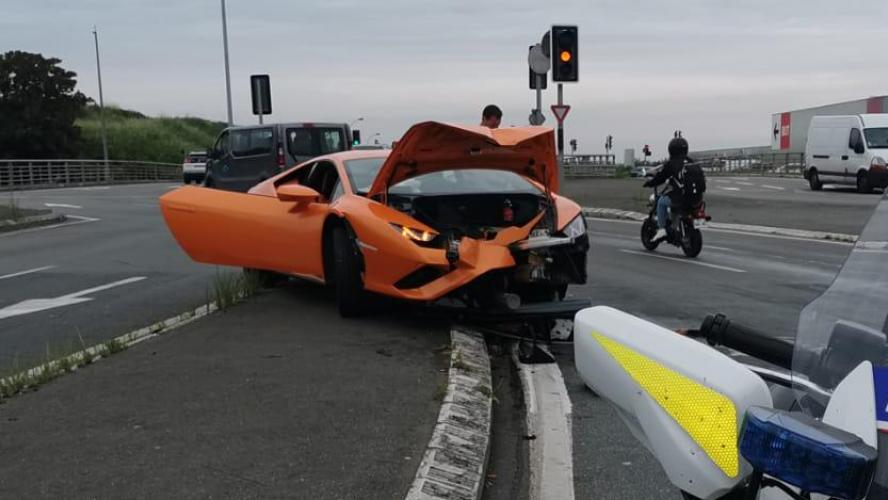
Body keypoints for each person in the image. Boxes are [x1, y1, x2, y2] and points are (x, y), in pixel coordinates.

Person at [643, 134, 692, 241]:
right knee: (673, 202)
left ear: (671, 149)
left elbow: (661, 177)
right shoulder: (691, 162)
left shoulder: (672, 163)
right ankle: (675, 226)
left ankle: (662, 230)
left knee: (661, 201)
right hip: (696, 198)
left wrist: (649, 183)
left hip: (681, 198)